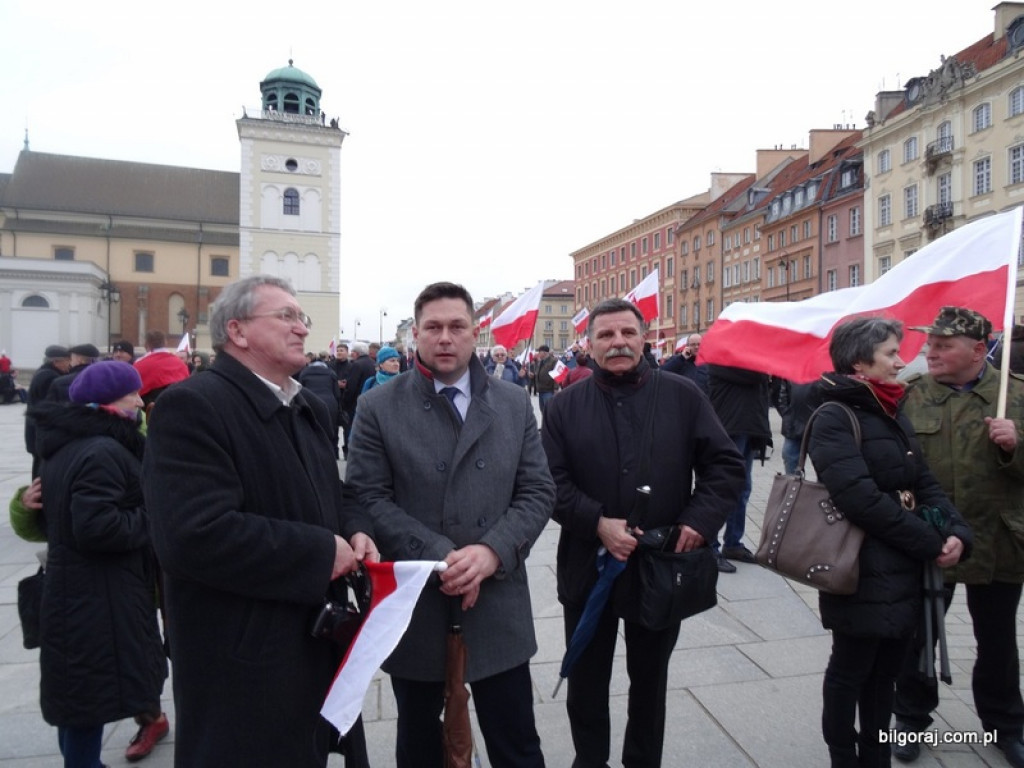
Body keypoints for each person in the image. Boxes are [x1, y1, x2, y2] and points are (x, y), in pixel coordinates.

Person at [141, 275, 377, 767]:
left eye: (302, 317)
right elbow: (192, 535)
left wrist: (355, 529)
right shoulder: (193, 406)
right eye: (286, 316)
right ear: (238, 332)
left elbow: (331, 494)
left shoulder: (306, 404)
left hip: (314, 642)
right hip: (243, 660)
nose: (301, 328)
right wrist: (320, 552)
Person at [346, 281, 554, 768]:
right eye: (433, 327)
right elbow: (367, 495)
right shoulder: (379, 406)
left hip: (497, 598)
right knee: (419, 743)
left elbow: (539, 490)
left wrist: (493, 551)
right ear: (414, 335)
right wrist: (439, 553)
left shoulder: (511, 401)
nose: (445, 337)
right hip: (417, 601)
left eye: (456, 326)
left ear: (474, 332)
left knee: (516, 741)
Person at [541, 298, 743, 768]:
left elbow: (724, 466)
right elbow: (548, 483)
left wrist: (697, 522)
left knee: (650, 681)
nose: (618, 343)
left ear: (644, 339)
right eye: (606, 336)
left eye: (627, 333)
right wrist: (597, 522)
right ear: (588, 346)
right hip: (587, 568)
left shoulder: (682, 395)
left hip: (661, 564)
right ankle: (589, 760)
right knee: (586, 681)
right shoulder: (566, 405)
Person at [806, 316, 971, 768]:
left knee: (887, 675)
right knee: (851, 671)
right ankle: (844, 755)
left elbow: (923, 481)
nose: (902, 362)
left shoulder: (890, 407)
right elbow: (859, 498)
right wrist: (928, 541)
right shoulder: (834, 415)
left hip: (903, 564)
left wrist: (956, 531)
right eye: (891, 354)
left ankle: (875, 754)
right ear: (860, 361)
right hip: (861, 565)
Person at [892, 307, 1024, 767]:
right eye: (930, 344)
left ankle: (1005, 725)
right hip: (932, 537)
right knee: (917, 633)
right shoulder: (909, 397)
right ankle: (909, 716)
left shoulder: (1016, 396)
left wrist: (1017, 445)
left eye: (943, 346)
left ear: (976, 349)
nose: (930, 352)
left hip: (998, 538)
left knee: (998, 640)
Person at [31, 361, 168, 768]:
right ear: (109, 401)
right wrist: (154, 518)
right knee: (87, 695)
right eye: (132, 394)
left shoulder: (72, 442)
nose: (140, 401)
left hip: (79, 588)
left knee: (79, 692)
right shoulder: (103, 450)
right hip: (95, 594)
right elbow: (97, 526)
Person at [706, 363, 773, 573]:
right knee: (723, 489)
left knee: (743, 489)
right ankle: (710, 547)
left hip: (747, 428)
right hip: (729, 430)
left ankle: (733, 543)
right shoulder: (724, 362)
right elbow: (754, 377)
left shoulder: (751, 364)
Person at [24, 345, 71, 477]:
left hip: (38, 434)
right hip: (42, 435)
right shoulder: (49, 378)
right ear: (55, 362)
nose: (69, 364)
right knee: (42, 474)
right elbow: (49, 408)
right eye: (67, 360)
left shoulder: (43, 373)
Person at [771, 378, 817, 475]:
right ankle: (794, 488)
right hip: (793, 426)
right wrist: (787, 416)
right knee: (790, 460)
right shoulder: (792, 372)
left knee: (822, 466)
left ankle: (822, 489)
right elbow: (781, 397)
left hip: (817, 426)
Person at [133, 331, 189, 409]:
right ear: (165, 343)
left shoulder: (139, 364)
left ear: (147, 344)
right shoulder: (180, 363)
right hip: (178, 406)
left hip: (150, 409)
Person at [533, 344, 558, 416]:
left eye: (539, 352)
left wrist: (555, 388)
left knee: (549, 411)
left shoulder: (553, 361)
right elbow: (538, 372)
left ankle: (550, 426)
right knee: (543, 411)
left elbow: (556, 375)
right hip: (541, 390)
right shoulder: (540, 361)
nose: (538, 354)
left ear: (544, 353)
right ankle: (544, 426)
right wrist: (534, 375)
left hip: (549, 390)